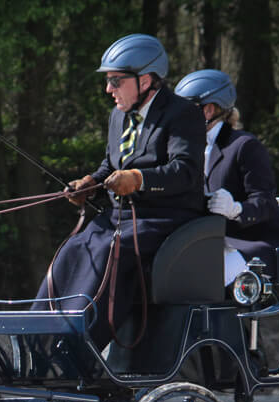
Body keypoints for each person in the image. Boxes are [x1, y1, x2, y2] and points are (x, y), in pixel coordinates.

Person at [38, 34, 205, 348]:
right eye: (108, 81)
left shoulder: (183, 113)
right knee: (73, 247)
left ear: (145, 81)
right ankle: (38, 336)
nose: (108, 89)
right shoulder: (118, 116)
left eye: (116, 81)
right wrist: (90, 182)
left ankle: (80, 346)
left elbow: (185, 171)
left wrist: (139, 179)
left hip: (165, 219)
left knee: (109, 249)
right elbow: (111, 165)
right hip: (120, 217)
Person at [174, 69, 279, 282]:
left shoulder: (244, 146)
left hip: (257, 242)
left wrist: (236, 209)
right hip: (214, 240)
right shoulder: (186, 150)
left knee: (207, 273)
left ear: (208, 110)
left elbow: (265, 202)